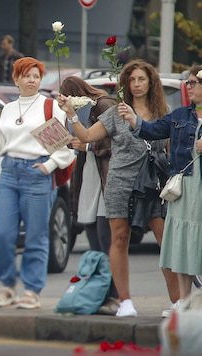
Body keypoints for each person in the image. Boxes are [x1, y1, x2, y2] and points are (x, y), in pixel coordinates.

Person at [58, 59, 180, 317]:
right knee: (119, 238)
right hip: (120, 181)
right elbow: (88, 136)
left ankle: (176, 301)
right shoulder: (116, 112)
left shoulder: (163, 111)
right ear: (125, 84)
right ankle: (125, 301)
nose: (136, 85)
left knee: (165, 240)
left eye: (141, 79)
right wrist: (70, 114)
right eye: (132, 80)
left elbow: (171, 147)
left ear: (151, 82)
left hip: (153, 182)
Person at [0, 57, 75, 310]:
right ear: (16, 79)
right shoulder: (9, 109)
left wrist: (48, 166)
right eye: (26, 75)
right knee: (1, 233)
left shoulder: (49, 106)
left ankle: (32, 291)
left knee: (36, 235)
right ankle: (8, 286)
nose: (31, 80)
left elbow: (64, 150)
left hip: (36, 173)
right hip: (9, 172)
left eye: (35, 76)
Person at [118, 64, 202, 310]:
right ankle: (184, 301)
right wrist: (134, 119)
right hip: (183, 188)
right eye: (188, 82)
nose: (190, 86)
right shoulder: (178, 115)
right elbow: (153, 131)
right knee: (183, 242)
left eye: (194, 82)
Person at [59, 77, 119, 314]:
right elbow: (75, 140)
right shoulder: (75, 112)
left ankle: (114, 295)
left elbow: (117, 143)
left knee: (106, 239)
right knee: (93, 240)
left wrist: (87, 146)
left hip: (106, 178)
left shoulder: (103, 105)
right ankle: (100, 292)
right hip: (89, 177)